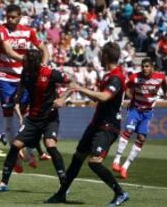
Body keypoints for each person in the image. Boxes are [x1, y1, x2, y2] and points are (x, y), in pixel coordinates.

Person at [48, 42, 129, 206]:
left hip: (108, 126)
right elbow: (97, 97)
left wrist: (80, 89)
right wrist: (78, 89)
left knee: (94, 162)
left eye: (101, 53)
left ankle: (120, 193)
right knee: (77, 158)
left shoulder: (116, 77)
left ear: (105, 56)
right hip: (96, 124)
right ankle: (61, 194)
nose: (99, 56)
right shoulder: (108, 76)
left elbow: (104, 97)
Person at [0, 49, 71, 203]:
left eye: (25, 60)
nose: (23, 62)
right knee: (15, 145)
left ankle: (64, 184)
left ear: (33, 62)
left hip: (49, 118)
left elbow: (72, 84)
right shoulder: (26, 73)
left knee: (50, 146)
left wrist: (63, 99)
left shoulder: (50, 73)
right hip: (33, 119)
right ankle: (3, 183)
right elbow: (22, 86)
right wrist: (18, 97)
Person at [0, 4, 49, 172]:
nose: (9, 20)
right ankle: (21, 155)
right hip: (5, 77)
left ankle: (24, 153)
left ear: (19, 17)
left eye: (13, 17)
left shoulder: (29, 31)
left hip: (24, 79)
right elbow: (8, 50)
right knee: (8, 119)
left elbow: (44, 48)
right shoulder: (1, 30)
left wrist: (43, 66)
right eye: (8, 16)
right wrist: (28, 61)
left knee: (26, 117)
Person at [112, 58, 167, 179]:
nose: (144, 68)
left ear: (152, 67)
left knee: (141, 138)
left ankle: (125, 167)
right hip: (135, 109)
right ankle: (116, 160)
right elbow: (126, 87)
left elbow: (164, 85)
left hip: (147, 113)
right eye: (143, 66)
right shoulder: (135, 77)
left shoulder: (160, 77)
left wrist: (165, 93)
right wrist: (130, 96)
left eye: (147, 66)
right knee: (128, 131)